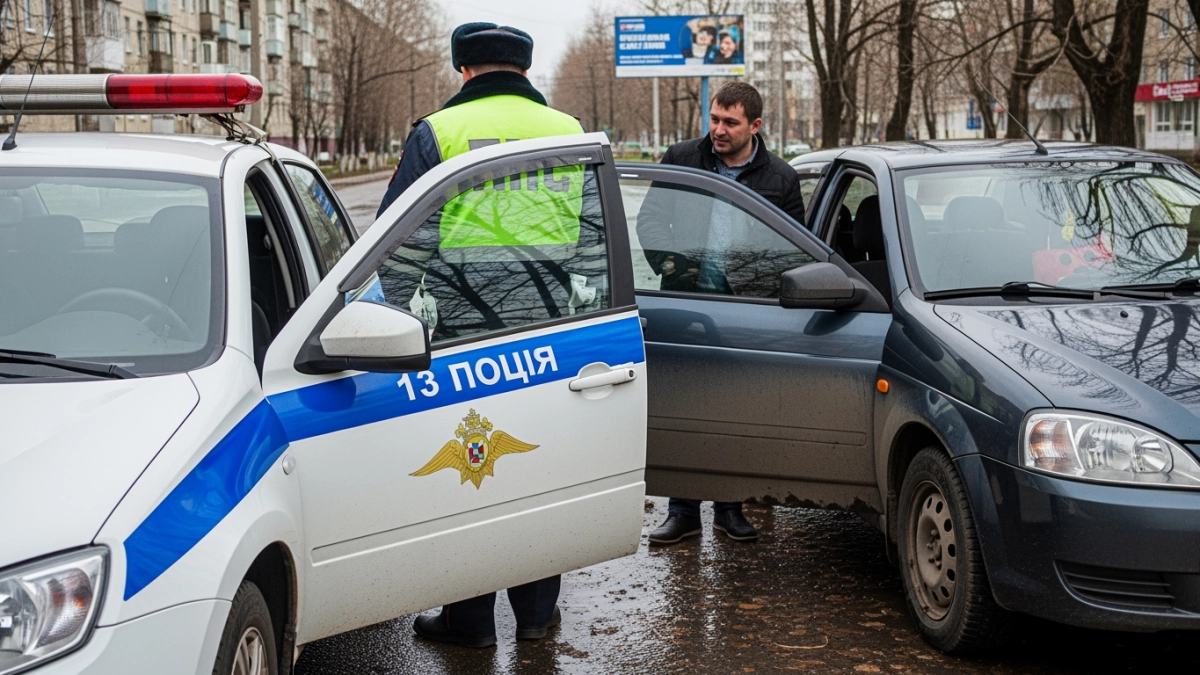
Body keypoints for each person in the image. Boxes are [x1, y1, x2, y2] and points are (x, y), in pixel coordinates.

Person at [376, 21, 584, 647]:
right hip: (553, 331)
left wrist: (397, 322)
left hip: (466, 337)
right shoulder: (570, 132)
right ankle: (537, 617)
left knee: (473, 472)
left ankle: (468, 622)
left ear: (462, 68)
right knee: (540, 470)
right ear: (524, 69)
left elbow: (397, 245)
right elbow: (595, 241)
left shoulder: (439, 132)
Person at [640, 81, 805, 545]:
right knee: (685, 407)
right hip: (685, 302)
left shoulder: (780, 177)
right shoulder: (681, 158)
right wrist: (671, 264)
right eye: (714, 119)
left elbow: (793, 247)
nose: (718, 130)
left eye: (730, 122)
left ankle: (730, 507)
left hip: (744, 311)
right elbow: (650, 219)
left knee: (736, 411)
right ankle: (683, 510)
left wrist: (764, 290)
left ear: (754, 125)